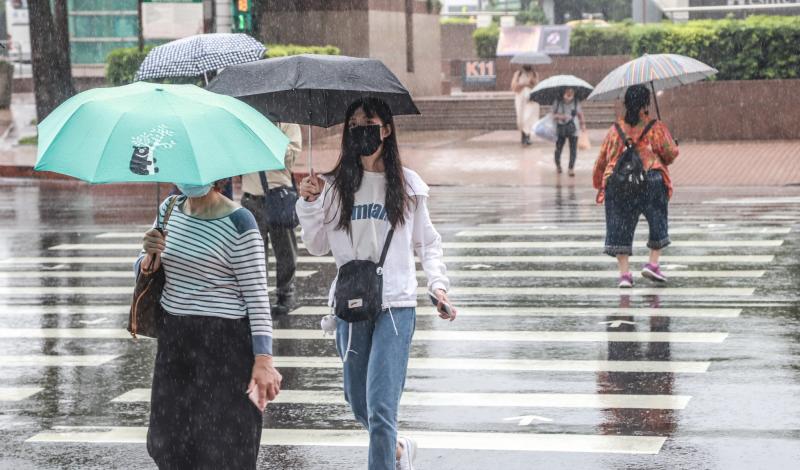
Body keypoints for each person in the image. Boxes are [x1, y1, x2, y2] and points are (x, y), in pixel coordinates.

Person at [296, 98, 456, 470]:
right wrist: (308, 203)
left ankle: (385, 457)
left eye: (368, 122)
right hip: (351, 305)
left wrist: (438, 286)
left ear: (385, 129)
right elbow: (317, 246)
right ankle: (397, 450)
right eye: (353, 123)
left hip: (396, 306)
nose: (360, 130)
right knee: (357, 400)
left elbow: (427, 242)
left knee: (382, 407)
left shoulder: (407, 184)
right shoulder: (334, 187)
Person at [138, 180, 282, 469]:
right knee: (169, 443)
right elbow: (146, 267)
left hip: (225, 349)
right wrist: (147, 258)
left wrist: (263, 358)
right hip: (175, 346)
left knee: (224, 449)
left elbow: (256, 297)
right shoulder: (168, 209)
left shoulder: (240, 222)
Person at [592, 85, 679, 288]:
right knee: (657, 219)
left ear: (625, 105)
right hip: (650, 178)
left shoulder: (615, 131)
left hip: (619, 183)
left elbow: (602, 160)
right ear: (645, 105)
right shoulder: (655, 127)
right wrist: (673, 145)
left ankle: (624, 275)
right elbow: (670, 154)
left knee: (620, 225)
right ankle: (652, 263)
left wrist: (599, 184)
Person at [241, 122, 303, 315]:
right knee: (253, 255)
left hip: (278, 197)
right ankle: (257, 298)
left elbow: (290, 157)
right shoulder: (245, 120)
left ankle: (285, 294)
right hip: (251, 198)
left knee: (286, 252)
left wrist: (267, 138)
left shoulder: (287, 123)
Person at [552, 87, 586, 176]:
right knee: (558, 149)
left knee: (573, 150)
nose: (570, 93)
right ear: (564, 91)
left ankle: (571, 168)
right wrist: (561, 117)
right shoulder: (558, 101)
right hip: (561, 128)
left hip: (573, 128)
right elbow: (552, 115)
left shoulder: (576, 101)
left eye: (571, 91)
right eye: (568, 91)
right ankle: (558, 166)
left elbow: (580, 114)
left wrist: (583, 125)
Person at [511, 64, 540, 145]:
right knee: (521, 118)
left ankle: (527, 136)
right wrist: (523, 84)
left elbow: (537, 86)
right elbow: (514, 87)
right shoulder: (518, 74)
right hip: (520, 99)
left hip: (531, 99)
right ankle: (523, 136)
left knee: (529, 117)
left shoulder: (534, 74)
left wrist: (531, 81)